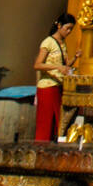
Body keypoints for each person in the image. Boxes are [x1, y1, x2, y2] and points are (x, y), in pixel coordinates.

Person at [34, 14, 79, 142]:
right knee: (45, 124)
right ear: (59, 26)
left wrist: (75, 58)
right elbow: (37, 64)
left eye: (71, 29)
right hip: (47, 87)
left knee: (57, 124)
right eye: (67, 28)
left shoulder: (63, 44)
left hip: (58, 86)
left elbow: (65, 65)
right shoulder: (48, 42)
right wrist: (57, 67)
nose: (69, 32)